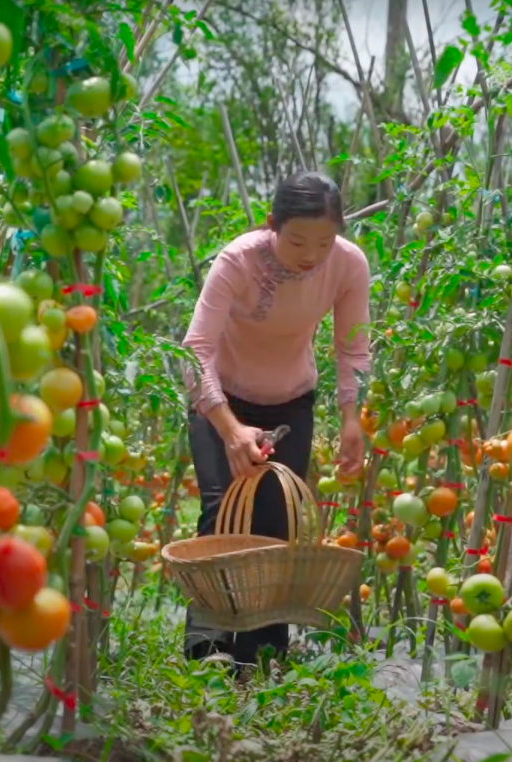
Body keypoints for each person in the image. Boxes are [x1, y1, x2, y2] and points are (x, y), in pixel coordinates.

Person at [181, 171, 370, 670]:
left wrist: (351, 418)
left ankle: (262, 655)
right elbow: (196, 350)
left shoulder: (348, 264)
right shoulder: (237, 261)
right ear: (272, 225)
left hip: (290, 401)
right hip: (220, 399)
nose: (312, 254)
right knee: (221, 511)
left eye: (324, 242)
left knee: (275, 524)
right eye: (298, 241)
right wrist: (229, 429)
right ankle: (208, 648)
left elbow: (353, 349)